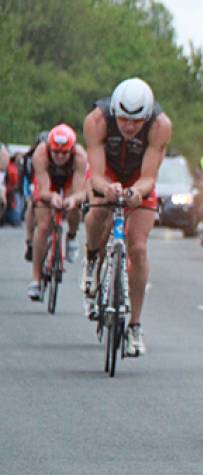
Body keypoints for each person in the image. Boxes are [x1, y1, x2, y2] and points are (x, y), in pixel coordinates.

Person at [81, 77, 172, 357]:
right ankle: (92, 256)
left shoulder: (160, 126)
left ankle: (135, 325)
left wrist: (136, 191)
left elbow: (149, 177)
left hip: (138, 178)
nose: (130, 127)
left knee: (139, 247)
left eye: (136, 121)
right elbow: (95, 173)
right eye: (123, 120)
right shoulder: (96, 120)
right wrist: (105, 187)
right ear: (115, 113)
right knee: (98, 212)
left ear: (146, 117)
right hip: (106, 172)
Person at [27, 124, 89, 300]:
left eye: (64, 153)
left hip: (70, 182)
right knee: (44, 225)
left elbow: (79, 190)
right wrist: (52, 196)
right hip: (48, 182)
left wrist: (72, 199)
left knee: (74, 207)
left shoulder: (80, 156)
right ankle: (36, 279)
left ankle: (71, 236)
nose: (60, 157)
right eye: (56, 152)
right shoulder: (40, 154)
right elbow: (43, 188)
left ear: (71, 150)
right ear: (49, 148)